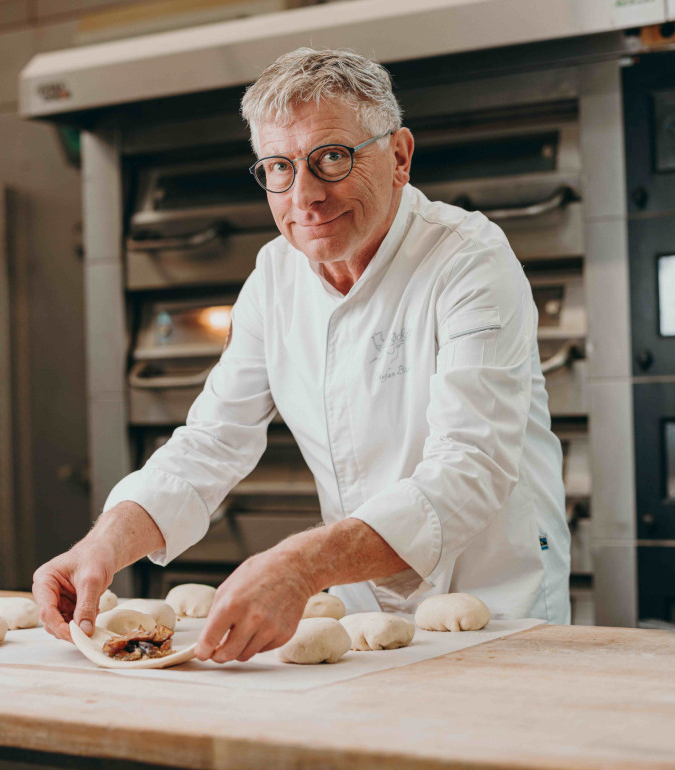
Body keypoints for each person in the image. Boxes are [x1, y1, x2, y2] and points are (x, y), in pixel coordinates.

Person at [33, 47, 571, 664]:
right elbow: (211, 441)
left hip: (497, 606)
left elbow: (471, 464)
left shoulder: (468, 260)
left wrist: (300, 564)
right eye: (279, 168)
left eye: (332, 158)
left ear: (398, 157)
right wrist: (102, 547)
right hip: (363, 618)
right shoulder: (274, 276)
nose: (305, 195)